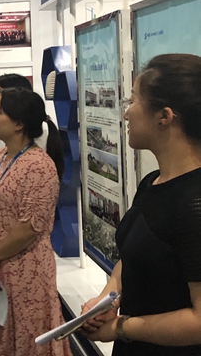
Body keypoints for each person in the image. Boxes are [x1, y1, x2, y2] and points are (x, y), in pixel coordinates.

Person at [80, 54, 201, 355]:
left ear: (164, 116)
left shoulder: (194, 204)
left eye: (132, 101)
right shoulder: (152, 182)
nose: (126, 113)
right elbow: (134, 256)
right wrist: (108, 298)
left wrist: (121, 328)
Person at [0, 87, 70, 356]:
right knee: (2, 334)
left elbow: (30, 228)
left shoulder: (40, 166)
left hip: (26, 266)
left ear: (18, 123)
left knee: (28, 337)